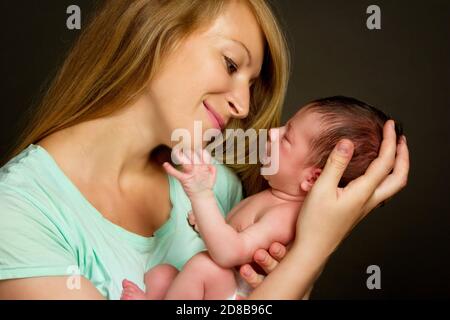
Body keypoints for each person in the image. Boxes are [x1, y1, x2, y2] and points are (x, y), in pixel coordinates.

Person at [0, 0, 409, 300]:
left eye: (251, 85)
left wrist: (303, 264)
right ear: (154, 28)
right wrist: (313, 251)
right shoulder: (17, 212)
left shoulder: (222, 186)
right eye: (232, 64)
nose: (245, 108)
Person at [120, 96, 405, 300]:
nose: (271, 133)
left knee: (203, 266)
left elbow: (228, 253)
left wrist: (202, 196)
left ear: (313, 178)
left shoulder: (286, 216)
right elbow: (232, 234)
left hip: (237, 296)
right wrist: (207, 222)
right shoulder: (271, 196)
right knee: (162, 274)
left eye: (286, 138)